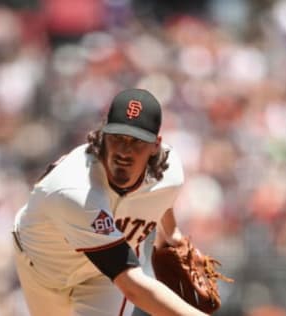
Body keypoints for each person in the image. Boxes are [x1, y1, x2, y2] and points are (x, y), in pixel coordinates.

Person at [12, 88, 209, 316]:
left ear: (156, 145)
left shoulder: (170, 173)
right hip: (44, 268)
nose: (124, 151)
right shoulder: (75, 189)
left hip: (102, 278)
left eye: (136, 141)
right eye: (117, 138)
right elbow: (132, 286)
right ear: (103, 135)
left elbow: (162, 197)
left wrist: (171, 232)